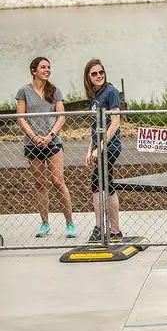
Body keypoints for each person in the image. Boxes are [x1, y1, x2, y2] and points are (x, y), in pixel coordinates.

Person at [15, 57, 76, 238]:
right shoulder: (23, 91)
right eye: (43, 67)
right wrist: (33, 137)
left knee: (58, 182)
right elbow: (21, 117)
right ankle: (45, 224)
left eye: (49, 67)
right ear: (34, 71)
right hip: (32, 143)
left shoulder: (54, 90)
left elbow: (61, 116)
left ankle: (70, 223)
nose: (47, 70)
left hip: (53, 142)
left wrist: (50, 136)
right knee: (40, 183)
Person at [83, 58, 122, 242]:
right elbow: (94, 127)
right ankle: (115, 231)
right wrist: (90, 149)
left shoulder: (111, 92)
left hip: (111, 146)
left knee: (97, 183)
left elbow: (115, 121)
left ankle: (100, 228)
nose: (99, 76)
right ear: (88, 77)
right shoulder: (95, 96)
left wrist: (101, 147)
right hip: (99, 147)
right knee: (107, 184)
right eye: (94, 73)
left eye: (101, 72)